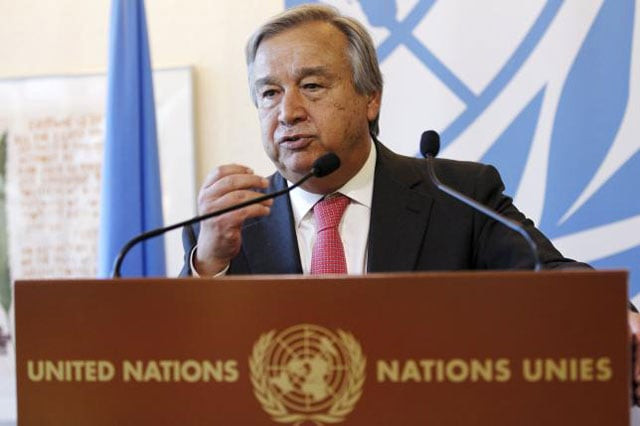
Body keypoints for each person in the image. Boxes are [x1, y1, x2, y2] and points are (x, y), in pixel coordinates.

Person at [180, 4, 640, 399]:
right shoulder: (228, 226)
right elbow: (185, 366)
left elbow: (548, 274)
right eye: (269, 93)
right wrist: (210, 263)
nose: (288, 112)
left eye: (313, 86)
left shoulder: (458, 195)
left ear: (371, 98)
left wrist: (609, 314)